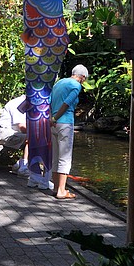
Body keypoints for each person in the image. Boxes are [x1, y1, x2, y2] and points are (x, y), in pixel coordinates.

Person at [43, 64, 88, 199]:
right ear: (83, 77)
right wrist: (56, 117)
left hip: (53, 124)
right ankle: (62, 191)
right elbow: (67, 103)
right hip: (65, 122)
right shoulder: (76, 85)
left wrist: (51, 119)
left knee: (56, 157)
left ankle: (56, 187)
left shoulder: (59, 83)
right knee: (65, 158)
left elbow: (49, 102)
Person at [0, 94, 29, 176]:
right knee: (34, 137)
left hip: (15, 134)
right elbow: (22, 128)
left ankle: (19, 165)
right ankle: (24, 168)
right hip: (5, 133)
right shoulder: (19, 103)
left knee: (36, 137)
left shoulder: (25, 102)